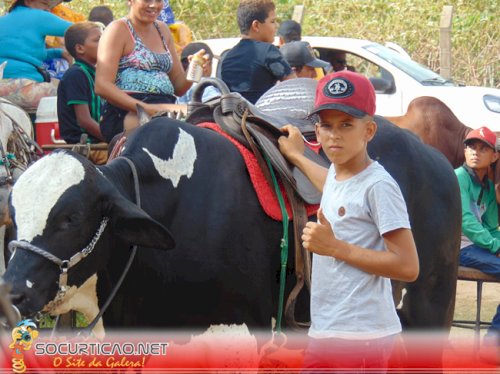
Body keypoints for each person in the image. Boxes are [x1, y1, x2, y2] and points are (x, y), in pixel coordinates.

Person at [278, 70, 419, 370]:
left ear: (369, 131)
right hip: (326, 330)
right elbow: (330, 184)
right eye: (326, 125)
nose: (334, 135)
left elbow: (408, 266)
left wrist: (335, 248)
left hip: (362, 338)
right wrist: (298, 157)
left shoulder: (378, 186)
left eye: (346, 125)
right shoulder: (339, 175)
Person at [95, 0, 202, 143]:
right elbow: (102, 85)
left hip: (164, 107)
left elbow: (179, 87)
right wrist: (146, 109)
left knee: (207, 116)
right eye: (147, 0)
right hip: (126, 112)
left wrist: (195, 69)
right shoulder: (117, 29)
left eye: (158, 0)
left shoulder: (163, 30)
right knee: (190, 118)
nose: (153, 5)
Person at [454, 126, 500, 348]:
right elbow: (465, 220)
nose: (475, 152)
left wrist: (497, 244)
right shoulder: (458, 177)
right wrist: (494, 246)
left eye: (483, 148)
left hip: (476, 248)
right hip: (457, 249)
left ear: (494, 156)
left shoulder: (489, 188)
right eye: (471, 147)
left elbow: (491, 226)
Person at [0, 0, 72, 113]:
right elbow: (81, 30)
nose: (48, 10)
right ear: (28, 1)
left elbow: (25, 53)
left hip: (3, 84)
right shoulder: (39, 16)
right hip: (22, 88)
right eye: (45, 4)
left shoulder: (3, 20)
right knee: (74, 90)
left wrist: (59, 53)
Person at [220, 0, 295, 104]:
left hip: (233, 117)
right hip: (261, 116)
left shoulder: (227, 57)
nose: (276, 26)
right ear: (256, 26)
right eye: (272, 21)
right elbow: (294, 87)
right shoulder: (268, 51)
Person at [57, 22, 107, 165]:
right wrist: (112, 138)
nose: (104, 43)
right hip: (88, 146)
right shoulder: (76, 74)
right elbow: (84, 121)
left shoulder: (94, 73)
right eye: (97, 40)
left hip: (99, 142)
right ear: (80, 48)